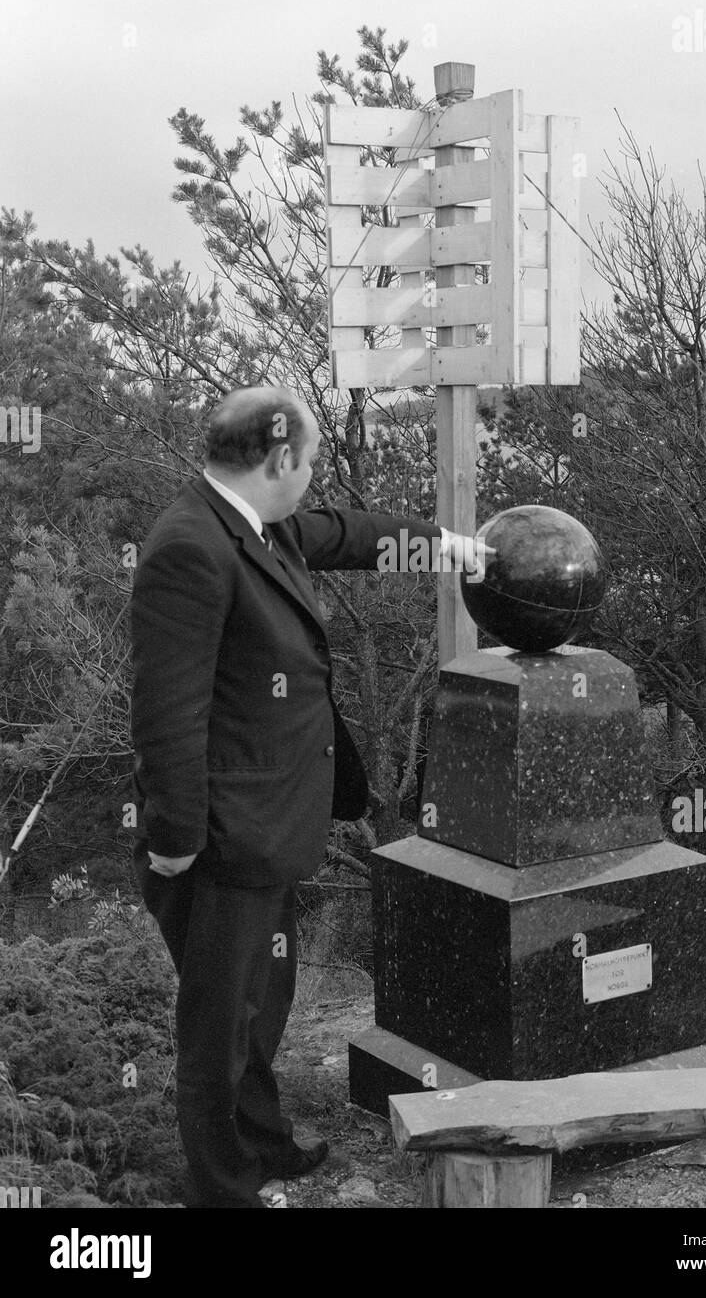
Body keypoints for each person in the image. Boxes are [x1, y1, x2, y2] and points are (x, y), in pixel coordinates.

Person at [130, 385, 482, 1208]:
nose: (314, 473)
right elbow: (166, 713)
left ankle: (265, 1143)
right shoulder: (190, 547)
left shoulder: (255, 521)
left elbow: (350, 535)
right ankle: (222, 1187)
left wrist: (449, 546)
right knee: (217, 1028)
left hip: (270, 824)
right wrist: (175, 838)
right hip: (218, 837)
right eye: (313, 459)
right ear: (279, 458)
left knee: (262, 1002)